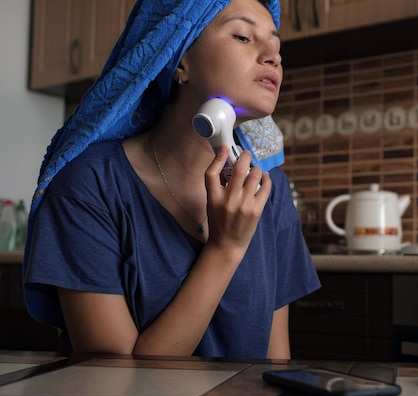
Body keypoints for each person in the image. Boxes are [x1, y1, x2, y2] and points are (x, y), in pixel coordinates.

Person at [22, 0, 320, 359]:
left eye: (276, 45)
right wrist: (225, 249)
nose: (273, 56)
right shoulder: (88, 186)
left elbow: (275, 364)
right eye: (243, 36)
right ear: (179, 58)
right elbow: (114, 380)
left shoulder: (270, 192)